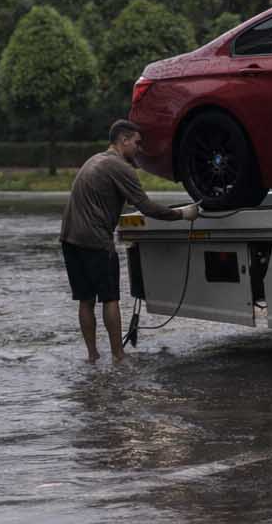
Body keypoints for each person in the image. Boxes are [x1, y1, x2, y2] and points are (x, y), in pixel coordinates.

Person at [60, 119, 199, 363]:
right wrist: (182, 214)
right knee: (110, 298)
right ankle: (118, 356)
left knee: (85, 299)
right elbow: (146, 207)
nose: (139, 148)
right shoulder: (120, 167)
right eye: (137, 143)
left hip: (69, 238)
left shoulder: (95, 160)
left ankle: (92, 356)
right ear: (123, 140)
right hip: (95, 240)